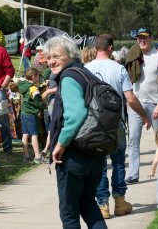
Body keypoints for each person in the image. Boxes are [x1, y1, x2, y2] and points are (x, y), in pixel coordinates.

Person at [85, 34, 151, 219]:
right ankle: (120, 202)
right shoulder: (119, 69)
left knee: (99, 165)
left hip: (94, 125)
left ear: (95, 48)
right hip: (116, 124)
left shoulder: (85, 69)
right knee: (119, 162)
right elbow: (130, 98)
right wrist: (144, 116)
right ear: (111, 48)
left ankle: (103, 205)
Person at [44, 35, 107, 228]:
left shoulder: (69, 77)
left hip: (74, 155)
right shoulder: (85, 73)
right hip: (94, 152)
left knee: (69, 213)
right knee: (87, 204)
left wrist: (60, 144)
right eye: (48, 57)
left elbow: (76, 114)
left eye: (57, 56)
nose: (51, 61)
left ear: (70, 55)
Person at [126, 27, 158, 184]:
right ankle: (133, 173)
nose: (141, 40)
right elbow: (128, 81)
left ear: (151, 38)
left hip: (154, 103)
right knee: (133, 139)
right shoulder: (133, 55)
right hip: (136, 104)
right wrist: (128, 102)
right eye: (139, 38)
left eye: (144, 37)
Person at [18, 68, 45, 164]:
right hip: (31, 114)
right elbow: (38, 102)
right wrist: (44, 105)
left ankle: (26, 155)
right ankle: (37, 156)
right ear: (34, 77)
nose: (39, 78)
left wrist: (41, 87)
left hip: (24, 113)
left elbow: (31, 92)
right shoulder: (33, 89)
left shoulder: (24, 85)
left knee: (25, 134)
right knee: (34, 135)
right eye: (38, 76)